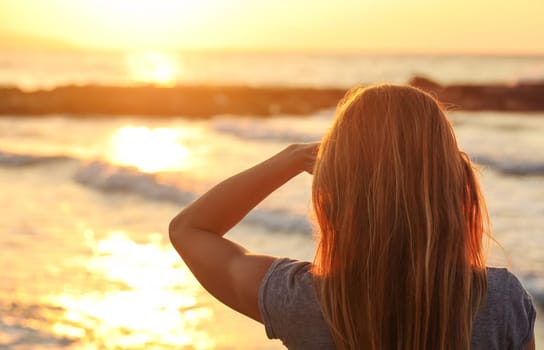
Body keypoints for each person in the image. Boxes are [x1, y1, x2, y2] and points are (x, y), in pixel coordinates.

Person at [169, 84, 536, 349]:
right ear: (448, 183)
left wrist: (293, 158)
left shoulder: (302, 300)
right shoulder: (502, 301)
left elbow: (190, 229)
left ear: (337, 189)